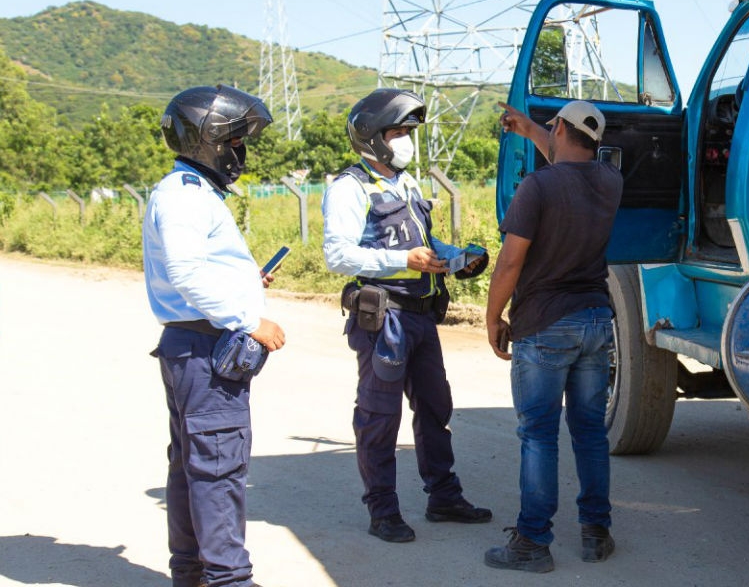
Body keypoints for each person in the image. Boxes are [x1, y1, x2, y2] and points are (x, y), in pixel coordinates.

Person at [322, 87, 492, 544]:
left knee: (435, 408)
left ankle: (443, 496)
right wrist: (402, 263)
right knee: (380, 416)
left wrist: (459, 258)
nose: (406, 140)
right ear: (373, 137)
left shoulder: (408, 184)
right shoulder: (349, 187)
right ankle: (383, 510)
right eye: (398, 131)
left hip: (421, 316)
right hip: (385, 319)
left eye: (408, 132)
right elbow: (337, 254)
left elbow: (427, 245)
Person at [143, 84, 285, 587]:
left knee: (191, 468)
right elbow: (185, 272)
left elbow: (199, 269)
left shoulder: (189, 190)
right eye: (235, 141)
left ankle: (194, 574)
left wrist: (246, 282)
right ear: (209, 140)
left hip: (194, 344)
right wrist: (249, 320)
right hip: (206, 349)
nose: (241, 152)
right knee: (218, 470)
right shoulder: (184, 196)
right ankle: (229, 579)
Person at [484, 100, 621, 573]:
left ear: (559, 127)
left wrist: (492, 316)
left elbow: (510, 261)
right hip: (596, 321)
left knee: (539, 434)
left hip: (544, 324)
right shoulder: (609, 181)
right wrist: (528, 129)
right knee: (589, 433)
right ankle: (596, 532)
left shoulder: (536, 187)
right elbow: (569, 162)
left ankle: (533, 543)